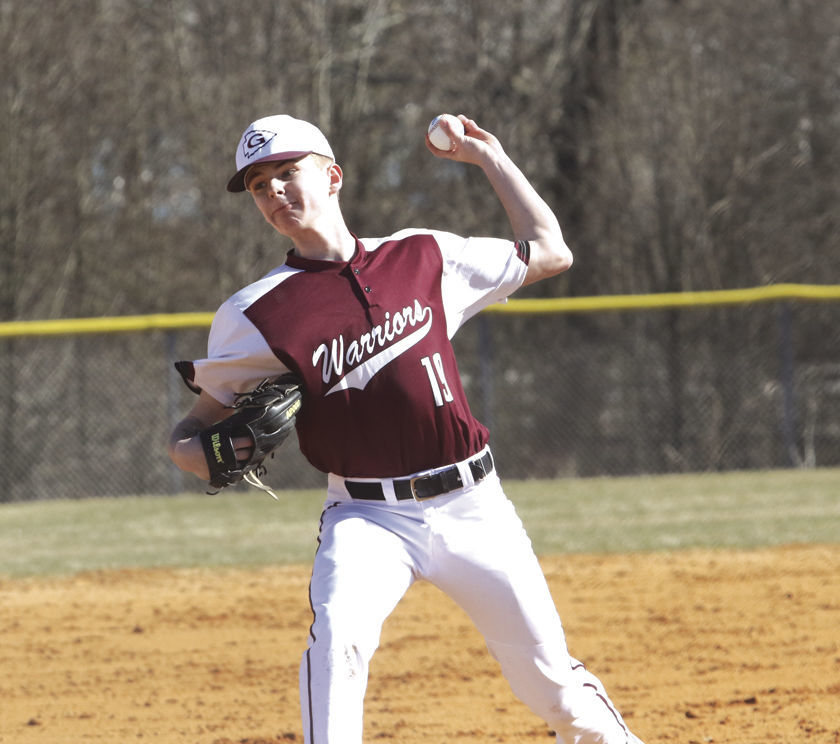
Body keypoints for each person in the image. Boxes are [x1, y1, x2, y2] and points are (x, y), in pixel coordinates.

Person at [167, 112, 645, 744]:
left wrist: (491, 159)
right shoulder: (253, 313)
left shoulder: (423, 254)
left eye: (288, 173)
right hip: (366, 517)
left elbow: (552, 253)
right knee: (336, 639)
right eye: (259, 185)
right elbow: (192, 432)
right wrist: (209, 453)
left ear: (332, 175)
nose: (275, 192)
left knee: (549, 682)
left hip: (474, 505)